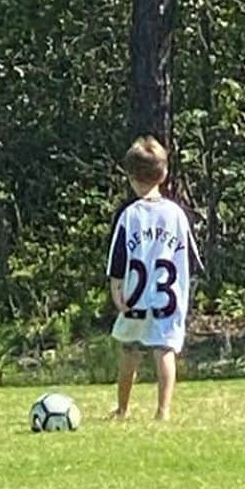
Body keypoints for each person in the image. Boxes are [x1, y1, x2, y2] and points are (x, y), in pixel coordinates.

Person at [106, 136, 201, 421]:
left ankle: (122, 409)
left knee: (129, 350)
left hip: (136, 296)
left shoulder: (130, 215)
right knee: (165, 350)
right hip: (167, 299)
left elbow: (118, 257)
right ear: (164, 174)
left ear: (131, 177)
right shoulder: (176, 214)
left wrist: (116, 288)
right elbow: (191, 258)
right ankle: (163, 410)